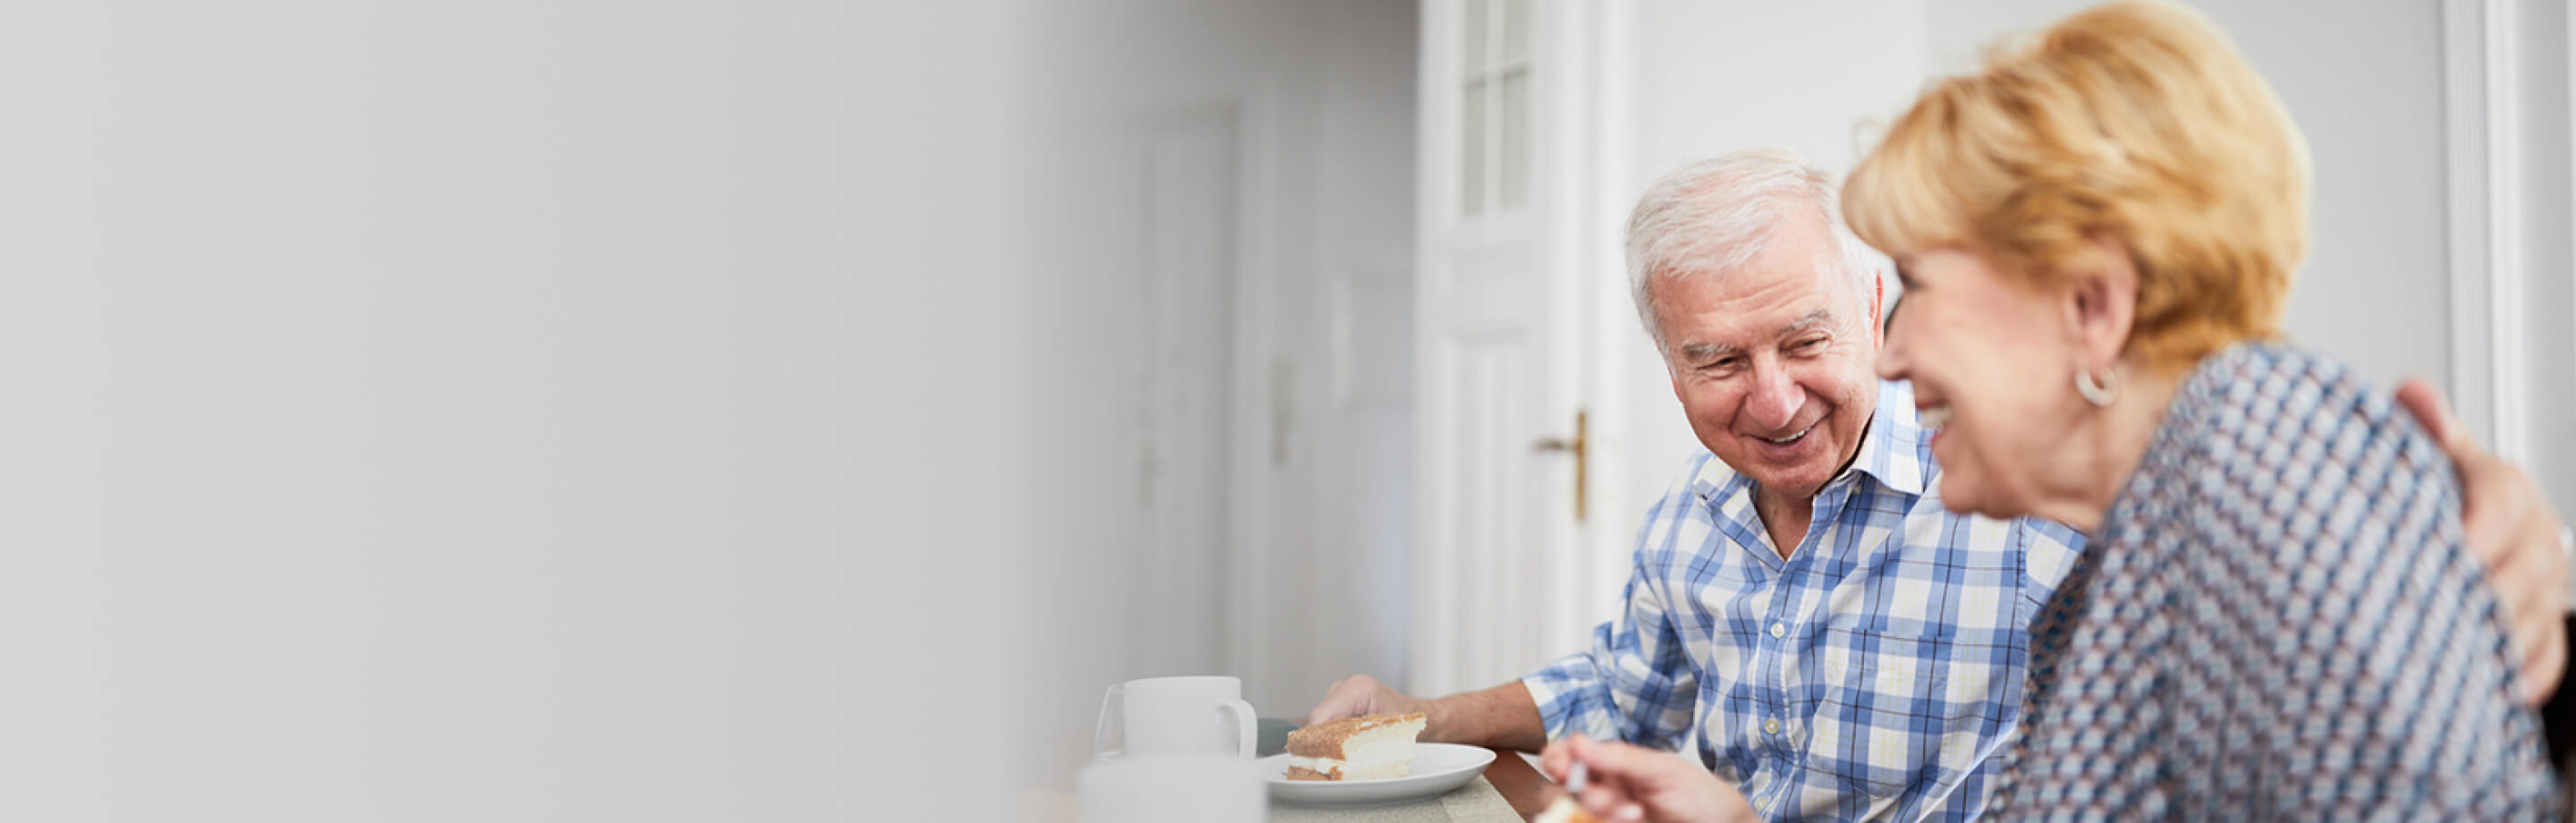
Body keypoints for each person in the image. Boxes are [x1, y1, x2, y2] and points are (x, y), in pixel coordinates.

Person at [1535, 2, 2565, 819]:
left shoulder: (2253, 464)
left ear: (2091, 306)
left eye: (1923, 284)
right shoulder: (2139, 535)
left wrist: (2521, 541)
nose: (1891, 352)